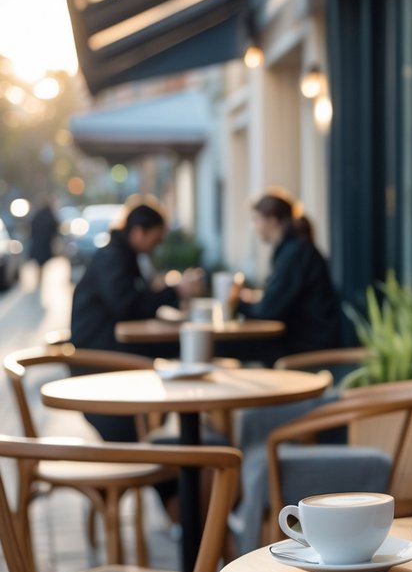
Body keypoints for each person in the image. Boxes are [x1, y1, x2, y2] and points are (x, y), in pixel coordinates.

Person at [70, 197, 202, 441]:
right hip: (100, 363)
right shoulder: (113, 257)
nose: (158, 245)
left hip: (110, 352)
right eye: (156, 238)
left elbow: (131, 303)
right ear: (139, 232)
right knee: (186, 348)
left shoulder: (120, 254)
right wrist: (173, 291)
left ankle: (179, 428)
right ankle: (182, 430)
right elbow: (128, 307)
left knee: (183, 348)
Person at [228, 188, 341, 365]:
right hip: (304, 338)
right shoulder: (294, 250)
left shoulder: (294, 254)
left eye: (256, 219)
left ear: (272, 221)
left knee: (228, 347)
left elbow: (268, 311)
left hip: (307, 344)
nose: (254, 227)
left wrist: (236, 301)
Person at [28, 197, 59, 286]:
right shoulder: (49, 215)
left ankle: (39, 277)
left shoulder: (38, 215)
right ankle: (40, 278)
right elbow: (55, 227)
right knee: (41, 261)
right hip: (44, 243)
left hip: (39, 243)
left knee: (40, 261)